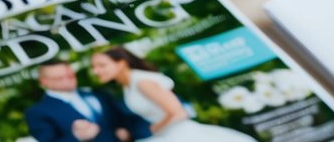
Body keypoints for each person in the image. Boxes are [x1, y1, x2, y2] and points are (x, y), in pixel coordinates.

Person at [89, 49, 252, 140]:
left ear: (121, 63)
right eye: (94, 67)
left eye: (102, 65)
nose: (96, 71)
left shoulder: (142, 82)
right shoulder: (127, 85)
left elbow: (179, 113)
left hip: (181, 135)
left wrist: (155, 129)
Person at [26, 61, 152, 142]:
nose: (67, 80)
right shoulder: (37, 112)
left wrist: (128, 132)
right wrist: (76, 138)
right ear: (44, 82)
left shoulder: (96, 93)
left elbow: (126, 117)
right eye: (60, 78)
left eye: (70, 75)